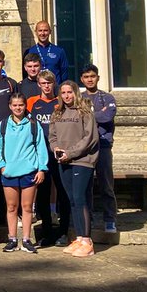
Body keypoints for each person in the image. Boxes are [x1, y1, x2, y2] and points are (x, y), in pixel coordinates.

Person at [50, 80, 100, 259]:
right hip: (63, 161)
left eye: (69, 92)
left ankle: (87, 241)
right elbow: (52, 136)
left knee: (80, 199)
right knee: (71, 200)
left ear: (75, 93)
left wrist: (70, 153)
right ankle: (79, 238)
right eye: (63, 93)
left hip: (82, 161)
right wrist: (56, 149)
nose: (66, 96)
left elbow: (90, 138)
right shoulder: (57, 112)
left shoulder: (85, 112)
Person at [0, 93, 47, 254]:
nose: (18, 108)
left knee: (27, 207)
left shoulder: (33, 125)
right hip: (9, 172)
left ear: (25, 106)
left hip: (29, 172)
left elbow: (41, 147)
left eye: (21, 105)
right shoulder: (3, 125)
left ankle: (26, 239)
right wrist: (2, 166)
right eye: (15, 105)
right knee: (11, 207)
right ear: (10, 106)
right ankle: (12, 239)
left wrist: (42, 168)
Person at [28, 70, 68, 247]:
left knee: (63, 192)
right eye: (43, 83)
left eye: (49, 83)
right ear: (39, 84)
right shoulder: (32, 103)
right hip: (40, 155)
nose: (46, 86)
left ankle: (64, 231)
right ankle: (46, 232)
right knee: (42, 195)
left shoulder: (60, 103)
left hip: (59, 154)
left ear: (54, 84)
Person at [81, 64, 119, 234]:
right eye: (86, 76)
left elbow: (107, 116)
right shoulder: (79, 99)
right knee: (86, 185)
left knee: (106, 185)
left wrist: (89, 115)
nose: (90, 79)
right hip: (85, 148)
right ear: (82, 79)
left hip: (103, 145)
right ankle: (88, 219)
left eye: (92, 76)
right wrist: (96, 114)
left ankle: (110, 219)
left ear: (98, 77)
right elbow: (77, 120)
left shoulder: (107, 97)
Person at [26, 20, 69, 85]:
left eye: (45, 30)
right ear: (36, 32)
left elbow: (64, 74)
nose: (43, 33)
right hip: (35, 89)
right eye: (40, 31)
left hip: (55, 90)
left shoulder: (59, 51)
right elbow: (26, 73)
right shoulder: (29, 51)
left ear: (50, 32)